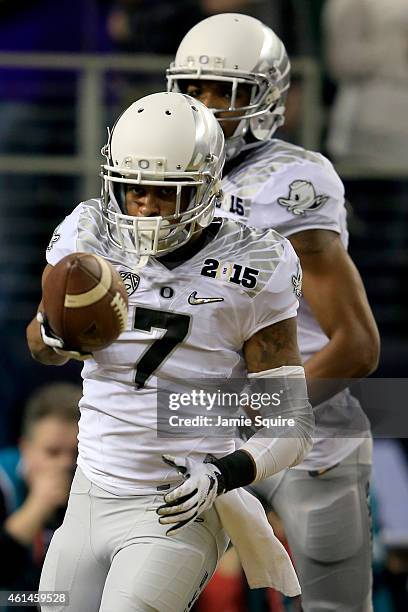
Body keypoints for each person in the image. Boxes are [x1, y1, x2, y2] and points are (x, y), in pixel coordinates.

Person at [26, 91, 314, 612]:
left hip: (178, 502)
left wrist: (226, 472)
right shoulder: (88, 231)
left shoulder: (253, 263)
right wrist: (54, 335)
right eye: (134, 187)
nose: (146, 204)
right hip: (89, 491)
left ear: (206, 186)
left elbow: (290, 422)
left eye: (166, 191)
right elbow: (40, 346)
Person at [167, 13, 380, 612]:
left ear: (265, 99)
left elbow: (358, 344)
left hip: (308, 438)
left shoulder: (287, 180)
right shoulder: (154, 170)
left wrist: (253, 420)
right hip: (195, 431)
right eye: (193, 88)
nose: (206, 106)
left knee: (335, 607)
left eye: (225, 91)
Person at [0, 382, 80, 607]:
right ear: (25, 448)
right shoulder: (3, 478)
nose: (66, 463)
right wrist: (37, 506)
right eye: (52, 452)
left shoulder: (99, 483)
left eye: (77, 452)